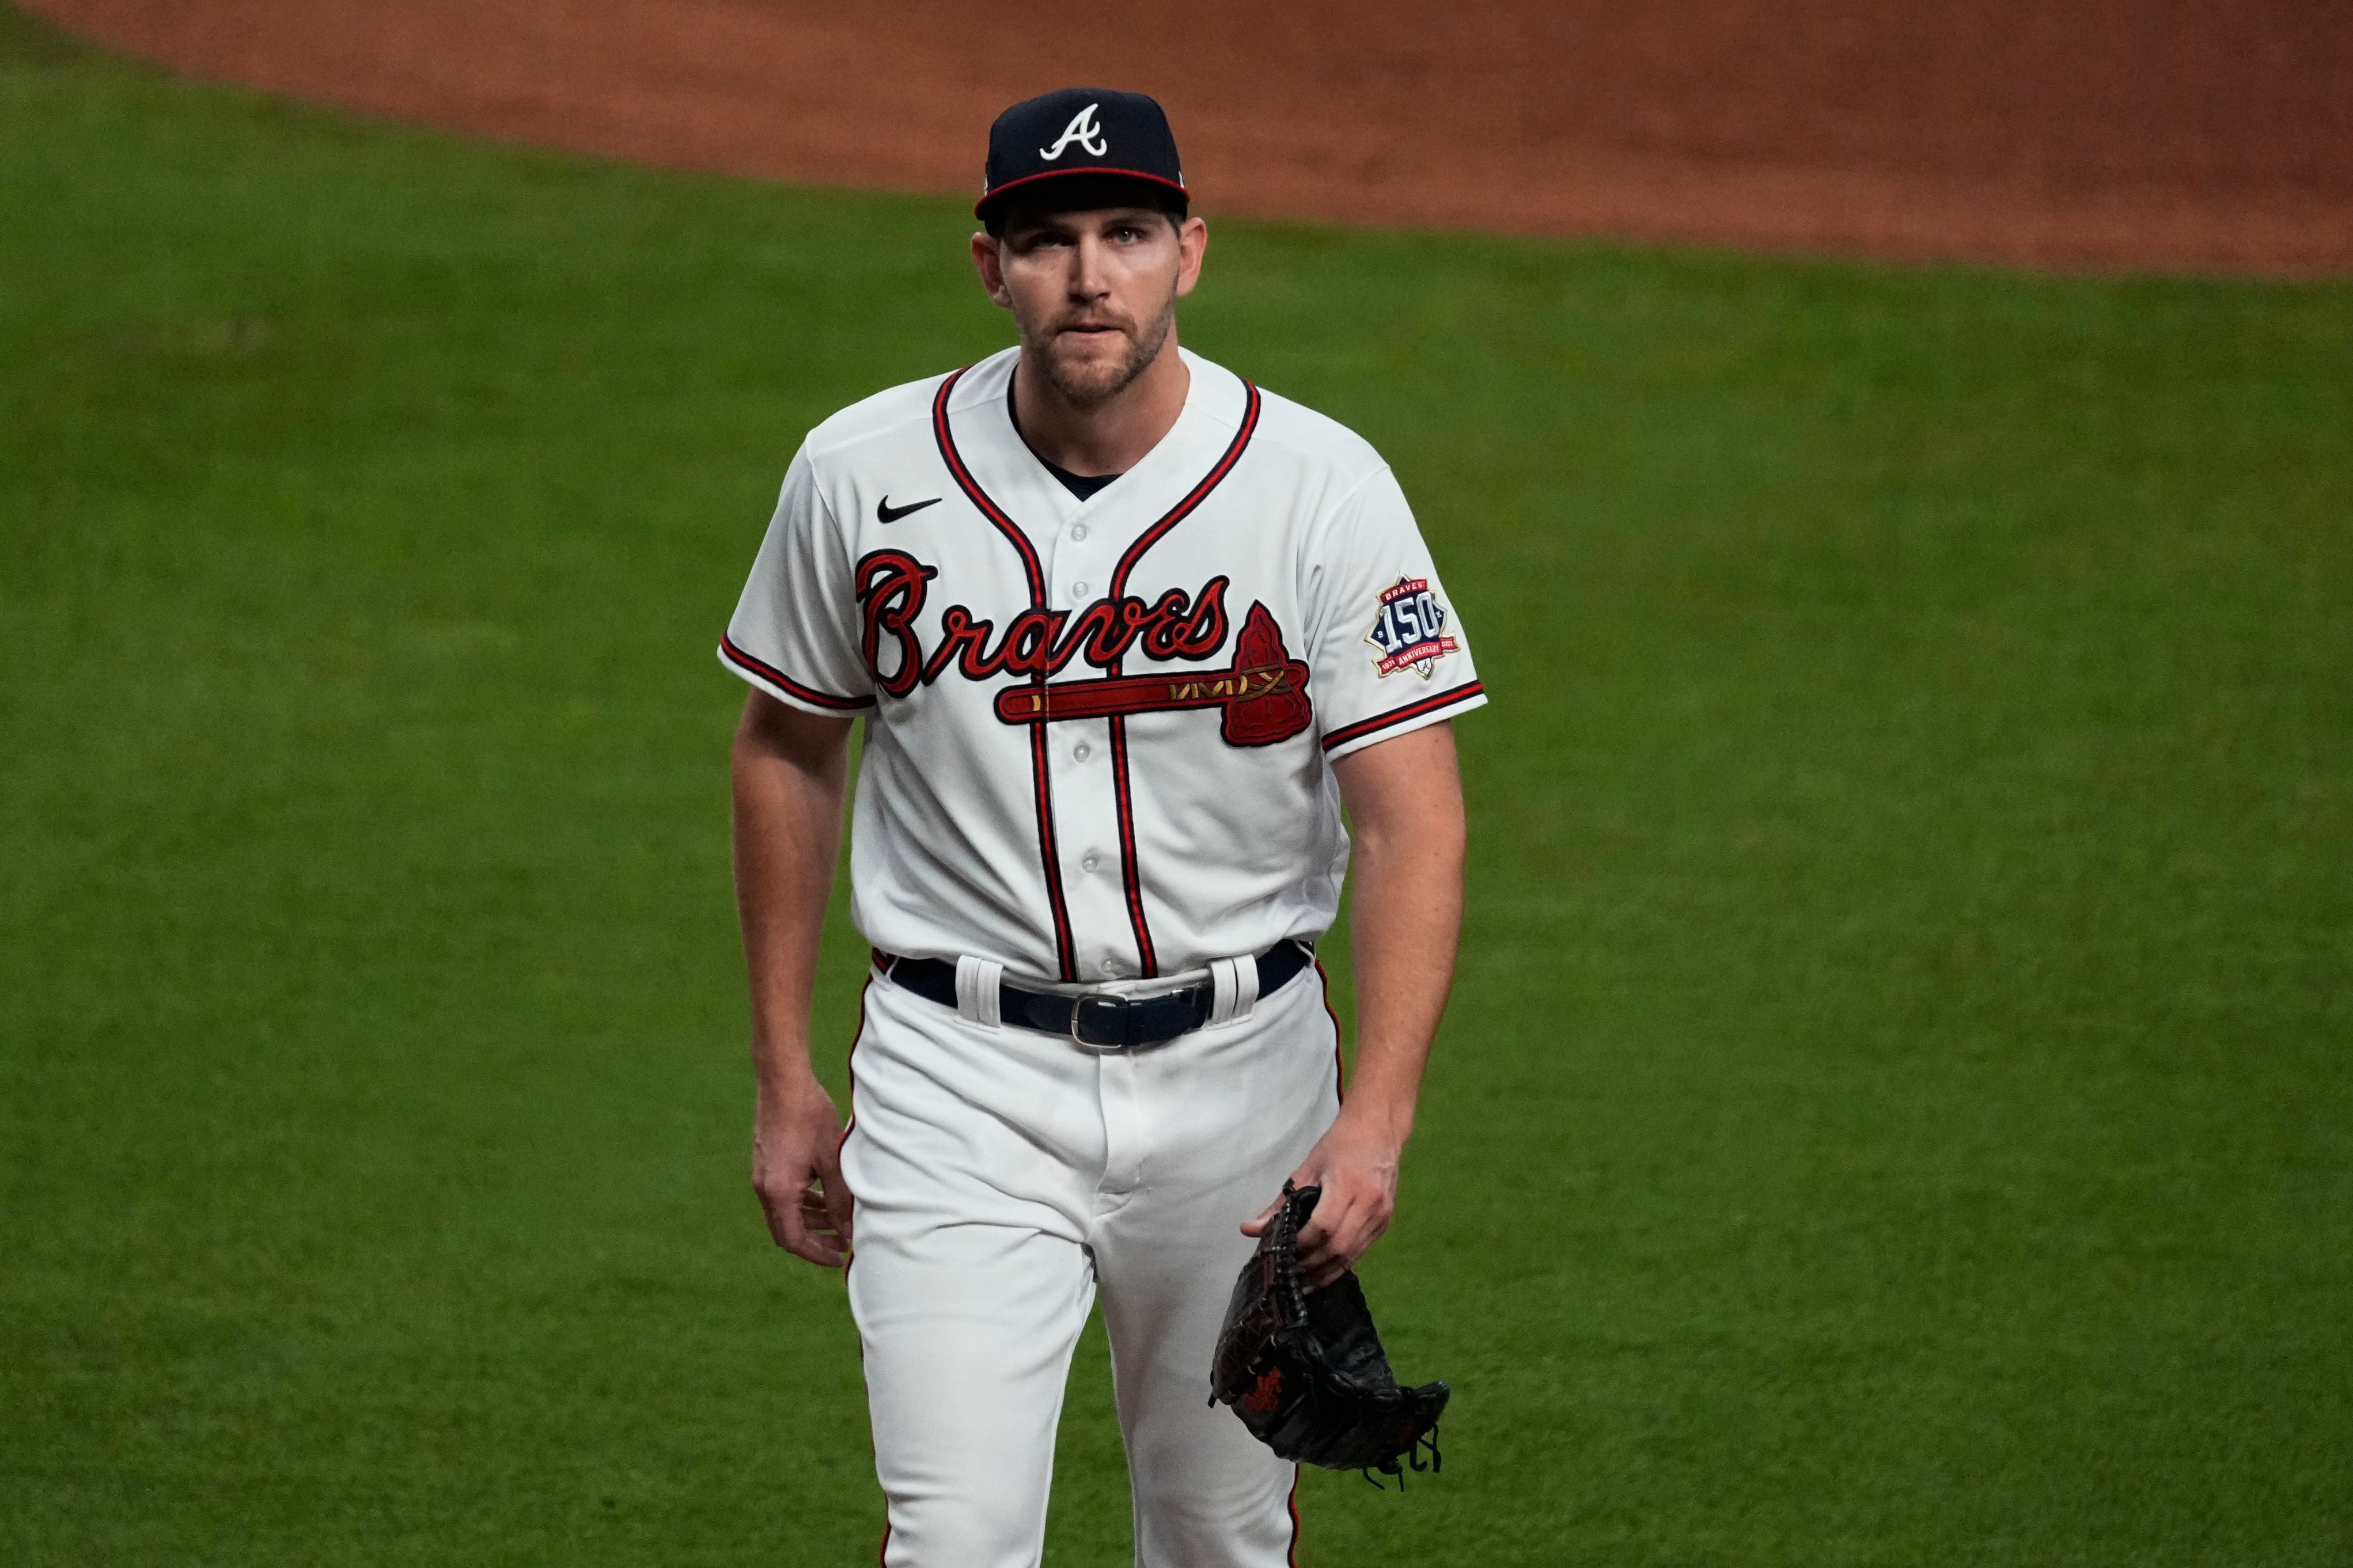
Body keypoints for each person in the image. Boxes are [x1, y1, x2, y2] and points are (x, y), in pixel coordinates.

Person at [721, 86, 1484, 1567]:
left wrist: (1376, 1114)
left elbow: (1412, 821)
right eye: (1047, 237)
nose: (1088, 274)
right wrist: (782, 1072)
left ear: (1190, 251)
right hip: (959, 1085)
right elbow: (786, 750)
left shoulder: (1321, 489)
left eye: (1126, 232)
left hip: (1244, 1088)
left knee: (1218, 1537)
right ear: (987, 264)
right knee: (955, 1541)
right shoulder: (859, 475)